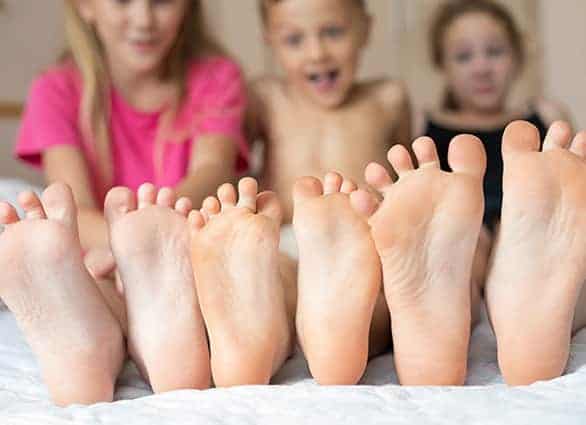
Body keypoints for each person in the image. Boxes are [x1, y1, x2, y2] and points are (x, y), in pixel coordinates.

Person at [3, 0, 253, 405]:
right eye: (122, 1)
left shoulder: (216, 77)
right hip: (102, 253)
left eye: (162, 2)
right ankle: (91, 341)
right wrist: (130, 249)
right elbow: (74, 209)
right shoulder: (57, 89)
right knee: (92, 280)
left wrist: (156, 233)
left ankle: (103, 342)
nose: (143, 20)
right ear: (85, 7)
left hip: (184, 241)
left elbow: (214, 172)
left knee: (219, 275)